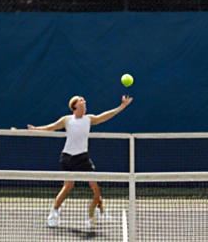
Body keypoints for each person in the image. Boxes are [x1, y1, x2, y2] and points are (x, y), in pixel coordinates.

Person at [28, 95, 132, 228]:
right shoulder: (67, 120)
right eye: (81, 101)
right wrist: (36, 129)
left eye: (84, 101)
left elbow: (106, 115)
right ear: (74, 106)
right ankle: (53, 213)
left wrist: (122, 106)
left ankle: (94, 216)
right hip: (67, 157)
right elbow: (51, 127)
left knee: (96, 188)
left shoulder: (89, 119)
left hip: (82, 157)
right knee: (68, 185)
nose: (84, 102)